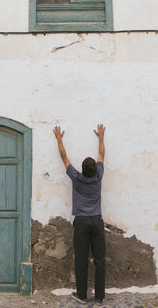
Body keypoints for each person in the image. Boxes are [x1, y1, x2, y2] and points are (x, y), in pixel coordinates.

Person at [53, 124, 106, 306]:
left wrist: (59, 138)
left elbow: (64, 157)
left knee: (82, 259)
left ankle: (82, 296)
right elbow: (102, 155)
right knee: (99, 259)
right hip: (97, 221)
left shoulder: (76, 177)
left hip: (82, 222)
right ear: (95, 170)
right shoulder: (98, 176)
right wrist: (101, 137)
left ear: (83, 169)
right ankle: (99, 297)